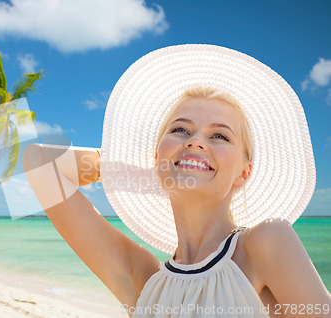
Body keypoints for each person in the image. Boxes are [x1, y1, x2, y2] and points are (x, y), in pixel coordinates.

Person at [22, 44, 331, 317]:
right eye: (181, 130)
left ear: (244, 173)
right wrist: (165, 169)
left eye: (219, 135)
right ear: (155, 157)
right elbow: (37, 162)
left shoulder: (266, 244)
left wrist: (182, 166)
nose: (196, 141)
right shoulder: (143, 281)